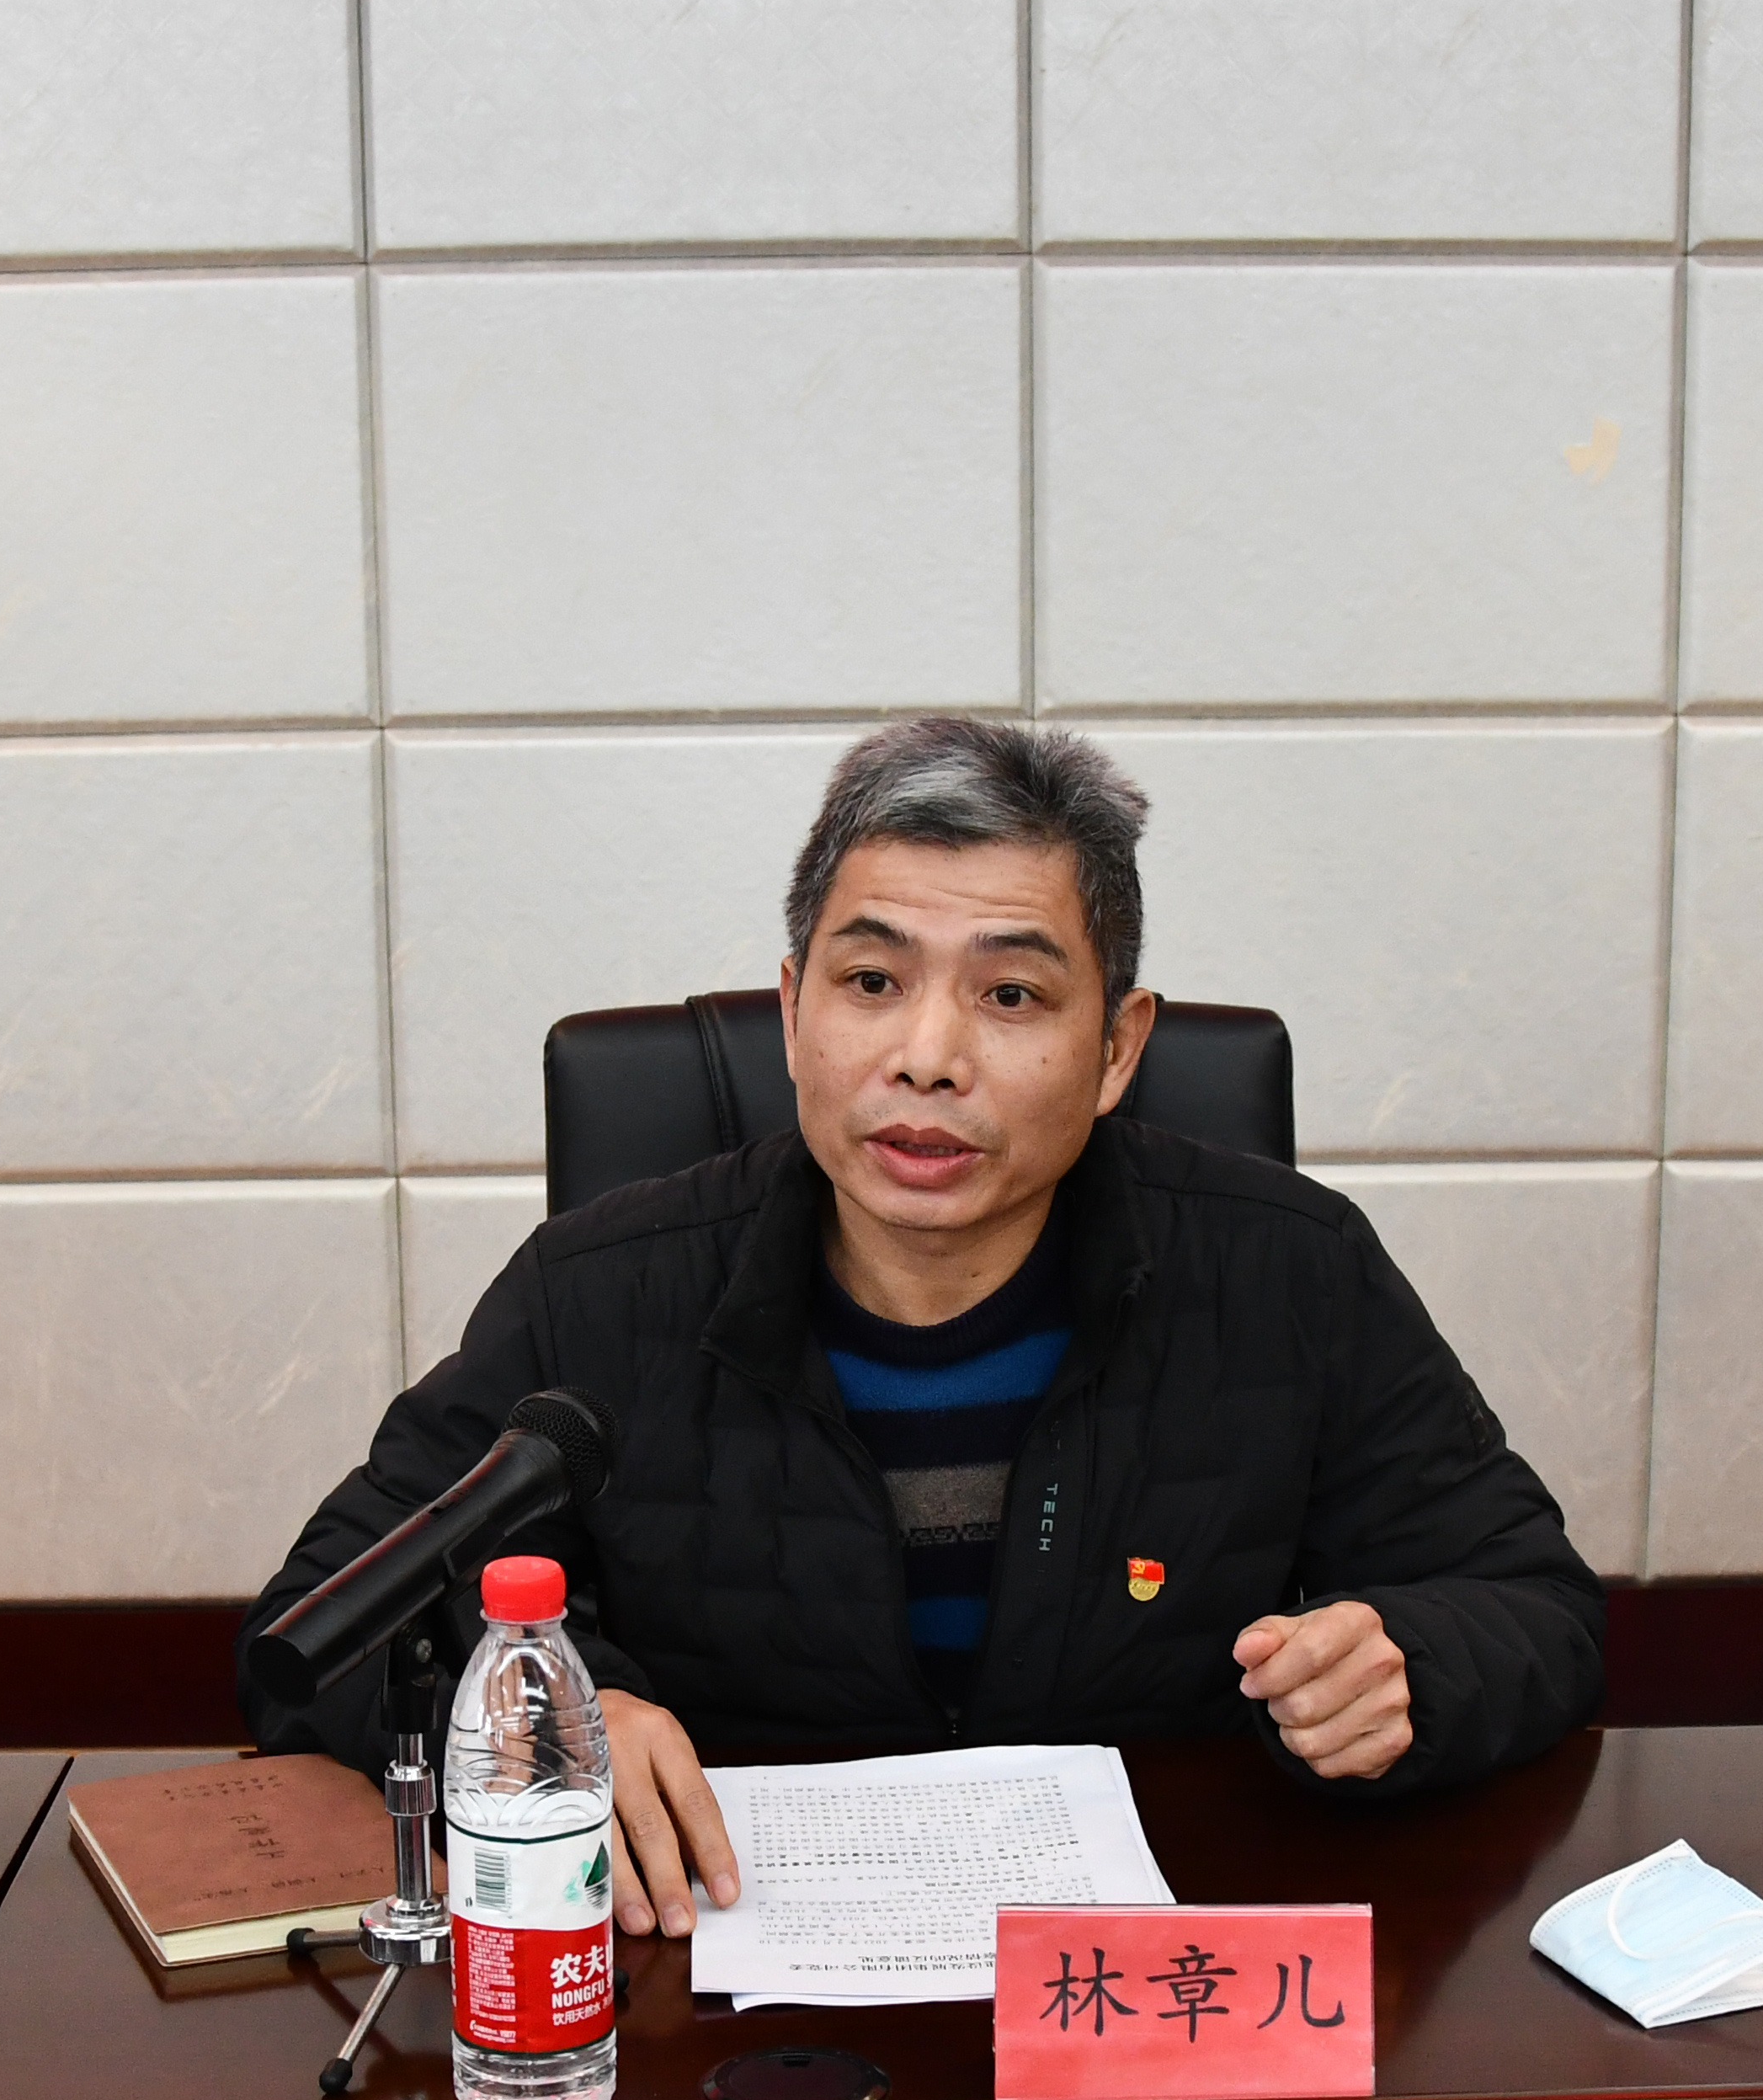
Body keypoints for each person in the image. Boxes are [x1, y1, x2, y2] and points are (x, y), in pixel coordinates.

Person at [242, 717, 1606, 1927]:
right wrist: (543, 1719)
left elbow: (1532, 1605)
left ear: (1118, 1047)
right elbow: (319, 1632)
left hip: (1146, 1995)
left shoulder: (1288, 1273)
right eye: (871, 983)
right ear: (793, 1013)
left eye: (1010, 994)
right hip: (712, 2002)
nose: (927, 1058)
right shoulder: (600, 1292)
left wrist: (1411, 1666)